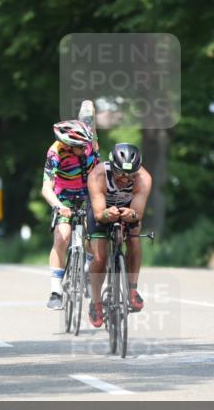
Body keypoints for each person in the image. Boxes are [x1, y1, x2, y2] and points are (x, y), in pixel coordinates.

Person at [86, 143, 153, 327]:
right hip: (102, 209)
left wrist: (130, 215)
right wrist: (108, 214)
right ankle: (96, 302)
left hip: (127, 209)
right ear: (111, 166)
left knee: (134, 239)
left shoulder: (144, 178)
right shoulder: (97, 175)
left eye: (130, 174)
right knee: (99, 257)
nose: (125, 178)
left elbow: (137, 213)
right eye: (120, 173)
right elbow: (99, 213)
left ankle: (132, 290)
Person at [41, 101, 99, 310]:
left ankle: (87, 266)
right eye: (80, 147)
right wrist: (58, 206)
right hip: (64, 196)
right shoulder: (55, 152)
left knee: (96, 238)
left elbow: (88, 108)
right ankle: (56, 292)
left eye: (86, 145)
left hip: (89, 193)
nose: (84, 149)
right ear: (67, 144)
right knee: (62, 236)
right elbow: (46, 187)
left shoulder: (90, 142)